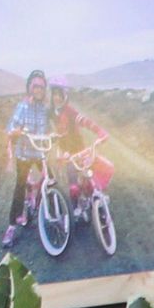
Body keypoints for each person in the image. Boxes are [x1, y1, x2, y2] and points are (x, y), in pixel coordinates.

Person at [1, 69, 54, 248]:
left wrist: (54, 134)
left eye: (41, 86)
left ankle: (46, 209)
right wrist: (15, 131)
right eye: (35, 86)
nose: (38, 89)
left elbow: (49, 128)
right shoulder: (22, 106)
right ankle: (11, 226)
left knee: (50, 180)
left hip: (39, 152)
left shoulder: (44, 109)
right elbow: (11, 127)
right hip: (24, 154)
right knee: (20, 186)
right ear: (30, 88)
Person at [49, 85, 113, 222]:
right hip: (67, 155)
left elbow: (85, 121)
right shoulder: (53, 113)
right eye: (54, 94)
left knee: (91, 180)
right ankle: (76, 209)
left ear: (65, 96)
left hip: (80, 151)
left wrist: (99, 132)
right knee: (73, 187)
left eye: (59, 94)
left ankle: (100, 209)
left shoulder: (70, 111)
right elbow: (53, 134)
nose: (56, 97)